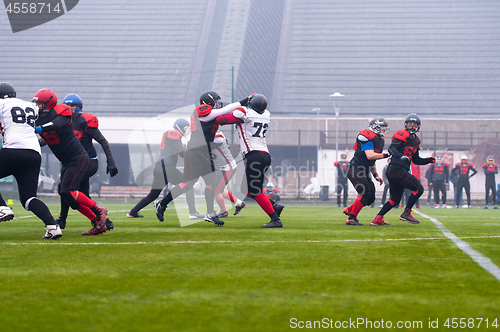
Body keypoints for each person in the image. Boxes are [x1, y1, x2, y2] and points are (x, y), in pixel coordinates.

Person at [154, 91, 246, 226]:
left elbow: (225, 115)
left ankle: (210, 213)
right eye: (214, 101)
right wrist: (244, 101)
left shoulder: (209, 114)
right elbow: (225, 110)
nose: (216, 103)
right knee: (187, 183)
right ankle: (162, 204)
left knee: (211, 183)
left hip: (204, 152)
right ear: (206, 102)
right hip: (195, 152)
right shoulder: (201, 111)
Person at [33, 88, 108, 235]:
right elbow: (44, 139)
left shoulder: (62, 112)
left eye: (41, 103)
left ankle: (99, 210)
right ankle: (97, 222)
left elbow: (55, 125)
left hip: (78, 157)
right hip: (67, 161)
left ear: (49, 103)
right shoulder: (40, 119)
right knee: (66, 194)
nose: (38, 106)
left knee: (69, 190)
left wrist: (37, 128)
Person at [0, 82, 61, 239]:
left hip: (13, 150)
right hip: (34, 153)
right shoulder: (31, 106)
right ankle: (53, 226)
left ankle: (3, 208)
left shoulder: (1, 104)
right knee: (29, 198)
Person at [216, 94, 284, 228]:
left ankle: (275, 219)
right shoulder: (265, 115)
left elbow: (221, 120)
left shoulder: (245, 114)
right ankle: (274, 205)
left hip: (255, 155)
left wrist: (225, 110)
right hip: (264, 155)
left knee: (253, 191)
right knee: (247, 190)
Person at [54, 93, 118, 230]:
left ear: (79, 107)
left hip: (88, 162)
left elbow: (103, 142)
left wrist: (110, 161)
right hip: (70, 161)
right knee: (81, 194)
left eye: (73, 105)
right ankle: (102, 220)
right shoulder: (60, 121)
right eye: (68, 105)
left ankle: (62, 219)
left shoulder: (84, 121)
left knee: (66, 188)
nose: (70, 108)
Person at [128, 118, 201, 219]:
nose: (186, 130)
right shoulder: (173, 134)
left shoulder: (173, 138)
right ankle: (191, 212)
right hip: (167, 168)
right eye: (185, 128)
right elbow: (182, 153)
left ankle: (132, 212)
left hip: (160, 168)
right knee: (188, 185)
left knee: (153, 195)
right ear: (179, 127)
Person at [372, 113, 436, 226]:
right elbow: (392, 148)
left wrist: (428, 160)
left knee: (395, 200)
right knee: (418, 188)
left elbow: (415, 160)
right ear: (406, 124)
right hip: (396, 169)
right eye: (410, 124)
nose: (412, 126)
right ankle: (407, 213)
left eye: (414, 124)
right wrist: (400, 156)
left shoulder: (417, 140)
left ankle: (378, 218)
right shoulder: (402, 133)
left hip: (397, 171)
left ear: (418, 126)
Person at [343, 118, 390, 226]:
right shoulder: (366, 136)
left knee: (371, 197)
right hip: (355, 169)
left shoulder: (380, 140)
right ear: (375, 127)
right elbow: (370, 155)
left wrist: (375, 175)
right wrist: (387, 155)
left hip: (364, 171)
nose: (384, 129)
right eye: (382, 126)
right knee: (364, 193)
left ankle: (350, 209)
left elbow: (373, 160)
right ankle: (351, 219)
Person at [212, 130, 246, 218]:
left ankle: (223, 211)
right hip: (221, 167)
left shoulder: (217, 134)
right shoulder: (210, 133)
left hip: (227, 167)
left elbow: (214, 142)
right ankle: (239, 203)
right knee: (220, 190)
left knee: (216, 190)